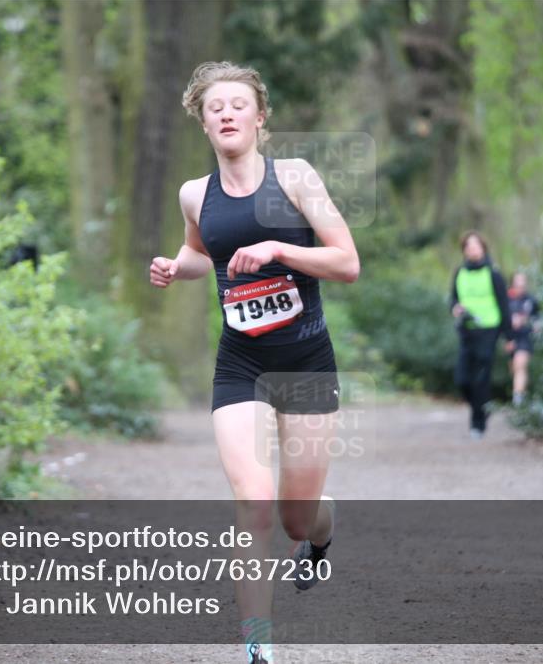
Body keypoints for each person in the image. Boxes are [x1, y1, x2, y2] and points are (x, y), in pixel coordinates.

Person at [150, 61, 359, 664]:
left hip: (307, 363)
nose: (227, 114)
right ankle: (257, 647)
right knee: (253, 497)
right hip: (239, 364)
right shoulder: (195, 193)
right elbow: (200, 254)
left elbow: (346, 262)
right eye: (215, 107)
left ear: (259, 117)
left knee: (296, 517)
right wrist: (174, 266)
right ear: (203, 121)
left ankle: (322, 531)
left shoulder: (294, 178)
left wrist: (277, 247)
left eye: (238, 104)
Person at [449, 231, 513, 439]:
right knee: (462, 379)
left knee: (482, 376)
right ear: (464, 250)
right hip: (467, 330)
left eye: (476, 246)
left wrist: (509, 336)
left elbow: (504, 305)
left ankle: (478, 422)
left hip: (489, 329)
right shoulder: (460, 272)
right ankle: (482, 407)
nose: (473, 249)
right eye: (469, 246)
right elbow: (453, 298)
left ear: (483, 249)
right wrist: (455, 308)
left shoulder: (493, 273)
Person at [505, 272, 540, 406]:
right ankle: (523, 393)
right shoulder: (506, 300)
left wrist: (534, 325)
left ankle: (518, 399)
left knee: (520, 365)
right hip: (510, 338)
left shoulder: (531, 300)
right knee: (515, 369)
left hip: (525, 338)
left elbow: (538, 318)